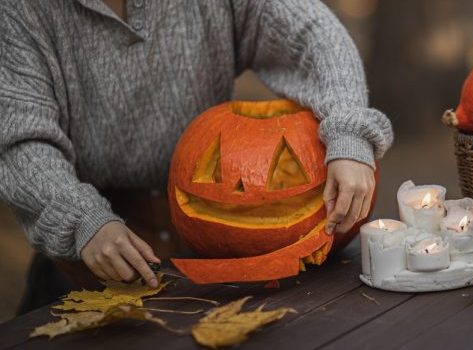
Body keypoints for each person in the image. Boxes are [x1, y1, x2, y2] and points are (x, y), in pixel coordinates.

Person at [0, 0, 393, 311]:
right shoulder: (20, 12)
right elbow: (19, 139)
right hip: (91, 254)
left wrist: (348, 129)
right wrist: (80, 219)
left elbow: (312, 31)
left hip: (214, 254)